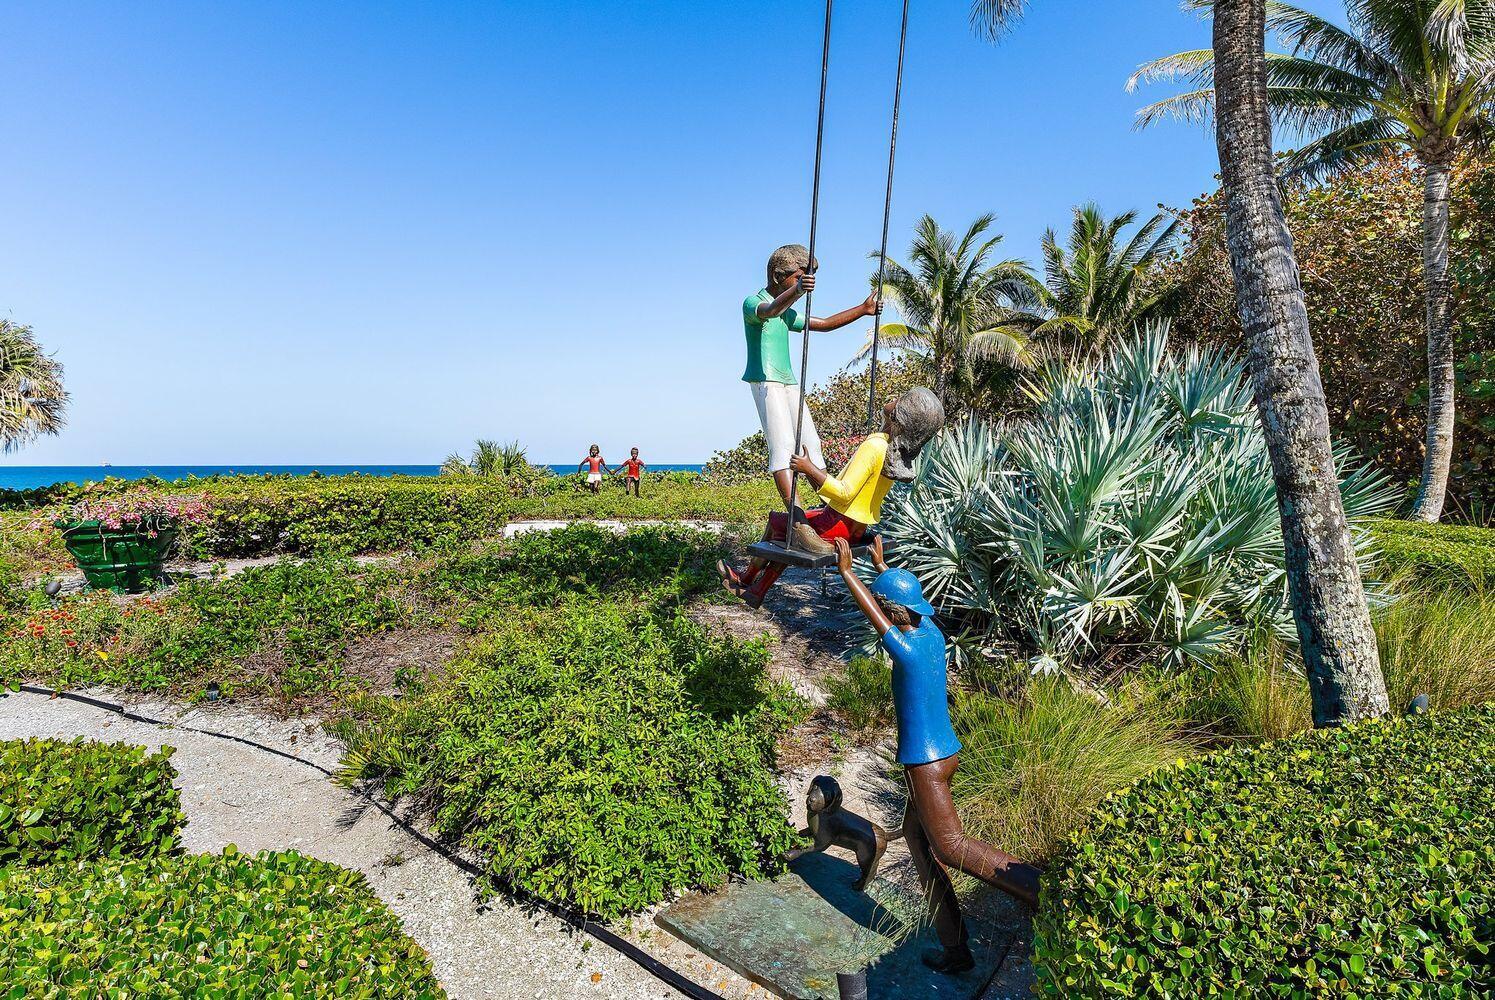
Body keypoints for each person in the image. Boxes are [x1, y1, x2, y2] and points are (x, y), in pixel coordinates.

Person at [832, 534, 1042, 975]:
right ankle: (955, 948)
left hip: (924, 764)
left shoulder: (906, 651)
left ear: (893, 612)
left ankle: (1042, 889)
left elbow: (877, 617)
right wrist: (882, 568)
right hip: (945, 754)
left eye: (887, 607)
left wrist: (850, 574)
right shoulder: (932, 635)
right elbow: (895, 608)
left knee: (950, 845)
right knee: (917, 838)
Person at [717, 387, 944, 609]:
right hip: (855, 529)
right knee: (788, 533)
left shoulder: (875, 446)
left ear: (900, 416)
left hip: (836, 525)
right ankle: (755, 589)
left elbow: (844, 492)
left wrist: (808, 468)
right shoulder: (895, 452)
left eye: (900, 398)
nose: (893, 397)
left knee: (778, 523)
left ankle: (749, 580)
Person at [744, 244, 881, 511]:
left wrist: (863, 309)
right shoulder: (753, 302)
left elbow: (825, 324)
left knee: (811, 443)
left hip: (788, 382)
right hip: (765, 380)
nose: (806, 283)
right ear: (778, 276)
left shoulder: (786, 314)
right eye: (799, 276)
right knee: (783, 446)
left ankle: (831, 508)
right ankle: (797, 519)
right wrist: (797, 291)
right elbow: (769, 310)